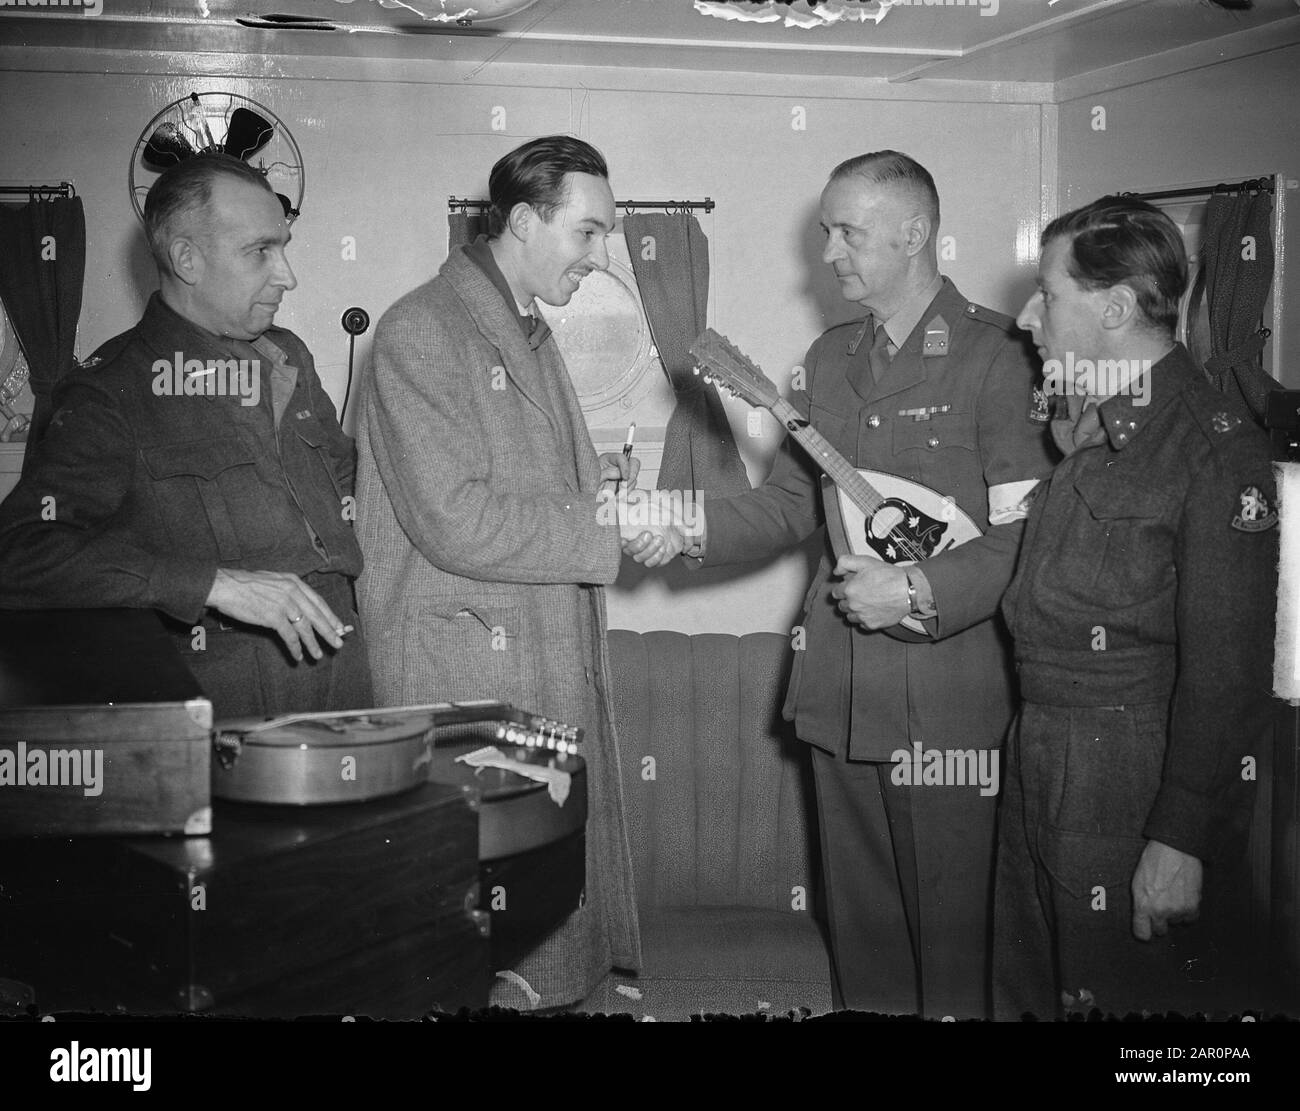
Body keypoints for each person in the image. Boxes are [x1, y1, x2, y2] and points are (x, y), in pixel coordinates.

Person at [641, 151, 1057, 1018]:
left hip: (951, 703)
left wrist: (918, 589)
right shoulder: (828, 361)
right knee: (863, 944)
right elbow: (795, 506)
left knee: (955, 945)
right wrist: (690, 527)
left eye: (847, 232)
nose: (828, 251)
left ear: (914, 234)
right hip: (838, 693)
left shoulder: (1000, 358)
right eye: (826, 230)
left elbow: (1035, 539)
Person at [354, 135, 665, 1010]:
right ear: (523, 220)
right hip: (467, 667)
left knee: (525, 907)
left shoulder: (522, 322)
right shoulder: (421, 328)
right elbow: (456, 521)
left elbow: (512, 486)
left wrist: (592, 491)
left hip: (525, 649)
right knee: (468, 925)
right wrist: (605, 524)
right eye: (588, 232)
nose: (601, 257)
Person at [993, 197, 1277, 1019]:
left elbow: (1227, 672)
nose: (1026, 315)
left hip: (1128, 777)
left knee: (1123, 1009)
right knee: (1027, 988)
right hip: (1041, 744)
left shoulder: (1214, 447)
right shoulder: (1094, 419)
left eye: (1047, 294)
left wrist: (1180, 837)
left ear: (1114, 308)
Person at [0, 153, 371, 720]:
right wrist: (213, 584)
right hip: (227, 692)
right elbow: (21, 553)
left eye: (284, 247)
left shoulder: (288, 355)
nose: (287, 275)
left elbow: (345, 482)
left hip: (341, 666)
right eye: (259, 252)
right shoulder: (111, 390)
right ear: (187, 259)